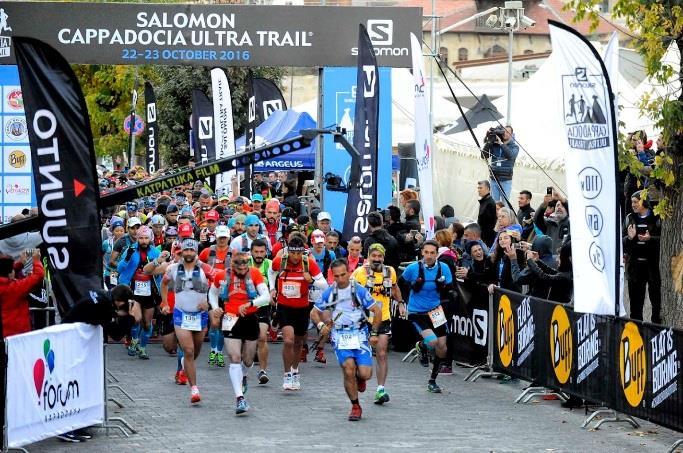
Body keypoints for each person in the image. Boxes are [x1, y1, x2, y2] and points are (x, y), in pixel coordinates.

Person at [311, 259, 381, 421]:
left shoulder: (359, 291)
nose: (341, 279)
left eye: (343, 275)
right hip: (340, 336)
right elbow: (314, 313)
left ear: (348, 273)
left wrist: (375, 333)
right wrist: (321, 325)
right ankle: (355, 406)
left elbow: (376, 311)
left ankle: (360, 378)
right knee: (348, 369)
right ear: (333, 276)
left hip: (360, 334)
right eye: (337, 276)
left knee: (366, 373)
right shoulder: (330, 292)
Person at [208, 251, 271, 415]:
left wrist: (250, 303)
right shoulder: (222, 275)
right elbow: (212, 293)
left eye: (245, 263)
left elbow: (265, 297)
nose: (242, 267)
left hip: (250, 318)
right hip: (230, 318)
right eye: (239, 264)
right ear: (232, 265)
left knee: (249, 360)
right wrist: (215, 307)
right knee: (235, 357)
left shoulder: (255, 274)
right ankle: (240, 398)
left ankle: (243, 375)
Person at [269, 235, 328, 391]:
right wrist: (272, 289)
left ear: (303, 252)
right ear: (288, 251)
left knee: (298, 342)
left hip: (302, 306)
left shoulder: (308, 263)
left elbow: (325, 284)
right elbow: (271, 271)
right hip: (284, 305)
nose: (295, 257)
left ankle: (295, 371)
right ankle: (287, 374)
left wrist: (312, 281)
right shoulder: (280, 260)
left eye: (298, 253)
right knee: (288, 340)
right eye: (292, 253)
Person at [161, 238, 216, 404]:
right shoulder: (173, 268)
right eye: (186, 250)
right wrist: (165, 303)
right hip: (181, 314)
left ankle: (186, 364)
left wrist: (209, 301)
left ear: (196, 252)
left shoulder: (205, 268)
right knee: (189, 350)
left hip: (200, 316)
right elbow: (164, 284)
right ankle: (194, 389)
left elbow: (218, 284)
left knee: (195, 351)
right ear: (182, 252)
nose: (189, 253)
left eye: (192, 250)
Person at [398, 240, 453, 393]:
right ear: (422, 252)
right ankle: (421, 346)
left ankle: (432, 381)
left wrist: (443, 286)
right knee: (433, 341)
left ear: (437, 254)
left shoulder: (444, 268)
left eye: (432, 253)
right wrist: (403, 301)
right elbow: (399, 283)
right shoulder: (413, 268)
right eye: (426, 252)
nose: (429, 256)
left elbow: (450, 287)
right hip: (417, 312)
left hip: (435, 311)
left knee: (443, 347)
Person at [352, 244, 402, 405]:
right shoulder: (360, 273)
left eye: (380, 256)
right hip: (363, 319)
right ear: (368, 256)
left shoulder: (390, 272)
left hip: (383, 318)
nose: (377, 259)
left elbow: (395, 288)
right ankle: (361, 376)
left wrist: (400, 302)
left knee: (381, 353)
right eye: (374, 256)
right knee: (361, 354)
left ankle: (381, 389)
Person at [117, 225, 162, 360]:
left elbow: (161, 270)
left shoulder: (155, 252)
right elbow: (120, 268)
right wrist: (127, 258)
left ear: (150, 238)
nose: (143, 241)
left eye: (146, 238)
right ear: (137, 238)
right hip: (133, 289)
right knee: (136, 320)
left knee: (147, 323)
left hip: (150, 290)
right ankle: (134, 342)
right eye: (141, 238)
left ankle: (142, 348)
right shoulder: (130, 250)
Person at [624, 190, 661, 324]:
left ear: (644, 201)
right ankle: (636, 333)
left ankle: (656, 330)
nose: (632, 204)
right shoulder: (630, 218)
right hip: (635, 268)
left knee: (657, 304)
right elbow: (622, 242)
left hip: (653, 267)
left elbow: (664, 240)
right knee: (635, 306)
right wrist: (629, 237)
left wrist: (650, 239)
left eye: (636, 202)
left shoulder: (657, 218)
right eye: (632, 202)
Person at [199, 225, 232, 368]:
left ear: (228, 238)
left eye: (224, 237)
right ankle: (213, 350)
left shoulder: (234, 253)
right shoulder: (207, 251)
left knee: (224, 325)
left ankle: (219, 352)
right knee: (214, 323)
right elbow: (198, 269)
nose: (222, 240)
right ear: (216, 237)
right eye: (220, 237)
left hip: (227, 293)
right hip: (211, 291)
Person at [0, 249, 44, 339]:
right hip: (18, 336)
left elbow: (5, 274)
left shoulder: (6, 285)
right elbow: (38, 275)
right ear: (9, 273)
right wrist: (36, 260)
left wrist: (19, 264)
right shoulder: (14, 288)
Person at [249, 239, 273, 384]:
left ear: (266, 252)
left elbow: (275, 283)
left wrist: (273, 293)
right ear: (251, 252)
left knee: (262, 337)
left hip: (263, 305)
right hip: (247, 305)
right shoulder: (245, 264)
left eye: (262, 252)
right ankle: (243, 368)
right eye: (256, 252)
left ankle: (262, 371)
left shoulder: (270, 265)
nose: (259, 255)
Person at [482, 125, 519, 202]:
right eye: (503, 131)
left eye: (507, 132)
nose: (505, 133)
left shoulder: (514, 146)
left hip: (506, 180)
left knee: (505, 204)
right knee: (495, 204)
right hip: (494, 179)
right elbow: (483, 155)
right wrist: (489, 142)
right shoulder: (495, 145)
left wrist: (501, 144)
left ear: (511, 134)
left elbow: (511, 156)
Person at [477, 181, 497, 247]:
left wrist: (482, 239)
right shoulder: (484, 201)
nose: (479, 190)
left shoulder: (490, 203)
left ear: (488, 189)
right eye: (478, 188)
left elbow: (489, 225)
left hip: (487, 239)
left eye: (481, 188)